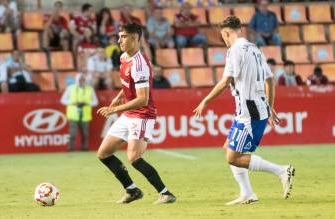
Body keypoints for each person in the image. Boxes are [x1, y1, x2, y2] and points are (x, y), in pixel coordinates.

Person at [193, 16, 295, 205]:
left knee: (233, 157)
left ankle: (281, 171)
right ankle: (247, 193)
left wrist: (205, 101)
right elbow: (270, 80)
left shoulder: (234, 50)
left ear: (225, 33)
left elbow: (225, 82)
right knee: (228, 148)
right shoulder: (255, 49)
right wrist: (270, 106)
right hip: (253, 109)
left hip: (249, 112)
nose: (223, 39)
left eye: (222, 36)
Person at [96, 23, 176, 204]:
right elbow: (128, 84)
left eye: (123, 37)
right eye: (119, 36)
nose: (119, 40)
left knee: (134, 157)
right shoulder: (125, 57)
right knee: (104, 153)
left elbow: (143, 99)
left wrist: (114, 110)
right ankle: (132, 190)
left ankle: (166, 193)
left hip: (142, 115)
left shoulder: (140, 64)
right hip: (129, 114)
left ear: (135, 39)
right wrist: (118, 97)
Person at [60, 73, 98, 151]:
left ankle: (85, 148)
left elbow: (95, 102)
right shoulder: (70, 88)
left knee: (85, 133)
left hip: (85, 114)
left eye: (83, 80)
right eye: (80, 80)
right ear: (77, 80)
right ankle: (70, 148)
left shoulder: (89, 89)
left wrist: (86, 103)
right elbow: (63, 100)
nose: (81, 81)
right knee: (72, 133)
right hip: (73, 114)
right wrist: (73, 103)